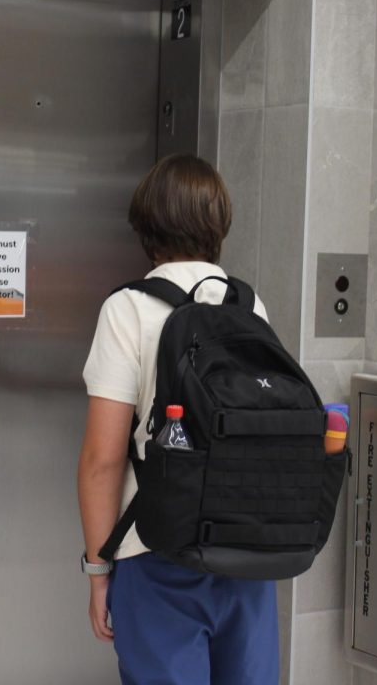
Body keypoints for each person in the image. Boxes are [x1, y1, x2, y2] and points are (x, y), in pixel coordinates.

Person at [77, 156, 278, 684]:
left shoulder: (127, 310)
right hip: (248, 555)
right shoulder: (249, 306)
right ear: (219, 223)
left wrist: (98, 572)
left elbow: (102, 459)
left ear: (146, 226)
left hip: (156, 553)